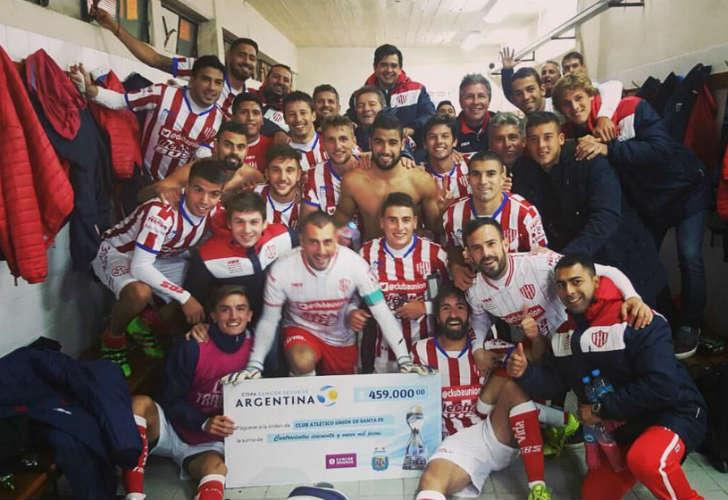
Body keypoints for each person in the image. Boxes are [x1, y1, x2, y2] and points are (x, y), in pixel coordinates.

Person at [508, 254, 706, 500]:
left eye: (577, 281)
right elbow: (555, 384)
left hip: (673, 413)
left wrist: (601, 409)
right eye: (561, 285)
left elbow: (663, 386)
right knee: (595, 495)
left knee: (647, 460)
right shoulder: (563, 335)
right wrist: (525, 373)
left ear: (596, 281)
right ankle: (637, 455)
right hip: (622, 428)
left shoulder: (637, 317)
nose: (569, 291)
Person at [552, 72, 709, 357]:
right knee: (648, 263)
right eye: (566, 103)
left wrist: (609, 149)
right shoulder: (574, 133)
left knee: (689, 257)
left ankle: (690, 325)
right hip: (650, 203)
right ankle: (663, 322)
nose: (574, 106)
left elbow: (661, 149)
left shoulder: (630, 108)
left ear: (591, 95)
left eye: (578, 98)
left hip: (685, 190)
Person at [224, 212, 431, 379]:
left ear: (337, 241)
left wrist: (404, 360)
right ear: (302, 241)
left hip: (341, 338)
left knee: (340, 394)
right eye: (313, 242)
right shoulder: (282, 269)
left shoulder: (355, 264)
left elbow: (381, 312)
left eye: (327, 242)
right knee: (302, 361)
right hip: (301, 330)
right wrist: (255, 365)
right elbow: (270, 320)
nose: (321, 251)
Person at [512, 111, 665, 307]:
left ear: (561, 139)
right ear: (526, 143)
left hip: (620, 250)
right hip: (576, 266)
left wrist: (566, 257)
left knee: (646, 313)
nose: (541, 146)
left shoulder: (588, 158)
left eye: (548, 137)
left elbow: (606, 217)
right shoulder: (524, 170)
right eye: (534, 139)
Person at [91, 160, 229, 377]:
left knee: (199, 284)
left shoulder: (214, 211)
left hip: (158, 257)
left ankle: (142, 324)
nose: (204, 200)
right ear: (187, 186)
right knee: (140, 293)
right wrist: (184, 297)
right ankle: (112, 338)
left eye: (214, 194)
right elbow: (140, 267)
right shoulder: (162, 212)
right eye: (198, 190)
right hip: (119, 253)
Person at [121, 285, 255, 500]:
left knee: (216, 468)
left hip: (207, 443)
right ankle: (134, 495)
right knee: (138, 404)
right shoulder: (192, 347)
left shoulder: (258, 351)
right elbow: (168, 399)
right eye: (225, 309)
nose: (233, 316)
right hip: (172, 429)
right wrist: (202, 421)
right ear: (213, 315)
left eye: (240, 309)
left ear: (249, 315)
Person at [461, 217, 653, 363]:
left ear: (505, 243)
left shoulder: (540, 263)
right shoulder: (475, 290)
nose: (486, 253)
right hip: (543, 349)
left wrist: (633, 297)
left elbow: (607, 271)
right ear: (468, 253)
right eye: (477, 248)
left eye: (491, 244)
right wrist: (477, 348)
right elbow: (479, 317)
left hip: (579, 335)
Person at [70, 56, 226, 182]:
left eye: (218, 83)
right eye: (206, 79)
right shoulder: (162, 93)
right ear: (192, 81)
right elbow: (120, 101)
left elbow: (200, 157)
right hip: (140, 175)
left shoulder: (218, 118)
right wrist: (87, 89)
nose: (212, 87)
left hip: (172, 187)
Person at [91, 6, 257, 117]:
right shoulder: (202, 69)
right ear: (228, 56)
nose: (247, 61)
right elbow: (154, 59)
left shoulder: (248, 99)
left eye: (252, 58)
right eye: (241, 55)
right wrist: (114, 27)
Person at [359, 193, 449, 373]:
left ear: (415, 222)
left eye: (406, 220)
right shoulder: (366, 254)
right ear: (382, 222)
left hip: (425, 351)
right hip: (382, 354)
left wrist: (425, 307)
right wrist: (353, 311)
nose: (400, 227)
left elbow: (455, 298)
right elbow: (354, 297)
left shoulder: (435, 254)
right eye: (392, 220)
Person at [184, 191, 298, 325]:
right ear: (229, 223)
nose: (247, 230)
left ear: (264, 223)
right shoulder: (207, 256)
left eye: (254, 222)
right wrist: (202, 327)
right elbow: (193, 305)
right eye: (239, 222)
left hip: (283, 321)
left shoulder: (283, 236)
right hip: (234, 327)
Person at [334, 113, 441, 241]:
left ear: (402, 144)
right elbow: (340, 224)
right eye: (379, 142)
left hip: (411, 252)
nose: (385, 150)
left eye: (392, 142)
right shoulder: (353, 181)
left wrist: (445, 210)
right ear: (370, 142)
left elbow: (436, 229)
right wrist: (352, 236)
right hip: (370, 252)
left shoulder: (421, 180)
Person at [139, 121, 263, 205]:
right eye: (227, 145)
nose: (234, 152)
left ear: (247, 150)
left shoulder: (253, 177)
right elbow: (141, 196)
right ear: (215, 146)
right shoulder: (195, 170)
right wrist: (160, 190)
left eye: (240, 147)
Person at [360, 44, 435, 142]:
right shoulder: (363, 94)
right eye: (384, 65)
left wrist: (412, 128)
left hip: (412, 147)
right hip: (374, 147)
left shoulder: (417, 90)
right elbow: (352, 117)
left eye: (394, 66)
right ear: (375, 67)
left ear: (400, 69)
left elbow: (430, 115)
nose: (389, 70)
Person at [302, 115, 362, 217]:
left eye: (343, 139)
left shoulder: (370, 168)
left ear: (353, 141)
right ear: (323, 144)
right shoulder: (313, 177)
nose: (337, 146)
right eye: (331, 140)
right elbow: (308, 223)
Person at [560, 51, 623, 142]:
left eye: (575, 66)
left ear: (583, 68)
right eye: (567, 68)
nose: (571, 70)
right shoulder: (561, 95)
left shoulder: (597, 88)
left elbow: (615, 85)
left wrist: (604, 117)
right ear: (563, 73)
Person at [421, 114, 471, 204]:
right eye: (432, 137)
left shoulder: (471, 164)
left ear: (454, 141)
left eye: (445, 136)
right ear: (425, 143)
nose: (439, 141)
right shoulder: (419, 174)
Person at [253, 144, 303, 229]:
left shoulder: (308, 202)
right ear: (267, 174)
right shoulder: (254, 195)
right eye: (276, 170)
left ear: (298, 175)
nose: (283, 178)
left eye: (289, 170)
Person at [284, 91, 328, 171]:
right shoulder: (281, 154)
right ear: (285, 119)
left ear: (313, 115)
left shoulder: (331, 144)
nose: (298, 119)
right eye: (292, 114)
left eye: (303, 113)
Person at [231, 92, 273, 174]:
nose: (250, 118)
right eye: (244, 112)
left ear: (262, 119)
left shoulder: (273, 145)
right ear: (233, 118)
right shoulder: (223, 147)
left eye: (256, 113)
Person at [455, 74, 495, 155]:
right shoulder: (450, 130)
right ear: (460, 101)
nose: (475, 102)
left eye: (481, 96)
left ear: (489, 100)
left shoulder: (500, 125)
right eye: (469, 96)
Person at [259, 64, 294, 133]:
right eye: (276, 77)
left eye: (286, 80)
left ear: (290, 86)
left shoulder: (292, 109)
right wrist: (277, 131)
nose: (280, 82)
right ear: (266, 79)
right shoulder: (251, 96)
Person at [351, 85, 387, 152]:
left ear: (383, 107)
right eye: (360, 106)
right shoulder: (351, 135)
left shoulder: (394, 133)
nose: (366, 109)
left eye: (372, 104)